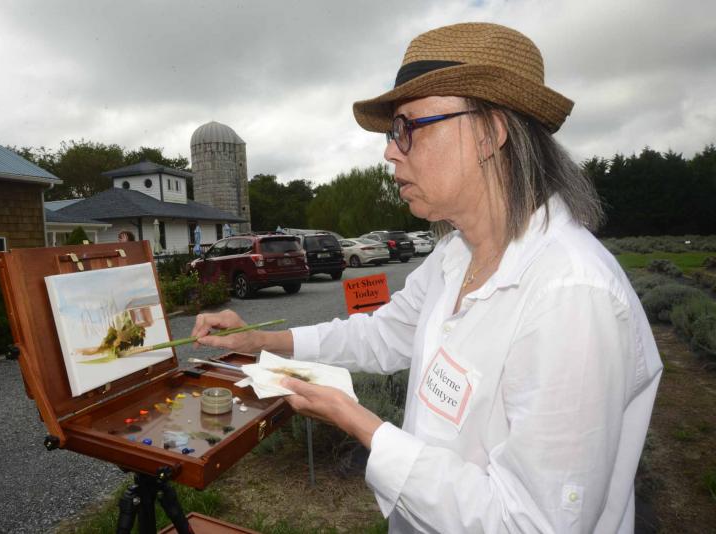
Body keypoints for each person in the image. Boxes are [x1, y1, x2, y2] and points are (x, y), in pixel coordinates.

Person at [191, 22, 661, 533]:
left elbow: (532, 523)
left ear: (490, 133)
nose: (390, 151)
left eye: (408, 126)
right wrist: (261, 339)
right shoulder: (454, 254)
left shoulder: (571, 297)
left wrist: (363, 426)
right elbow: (383, 334)